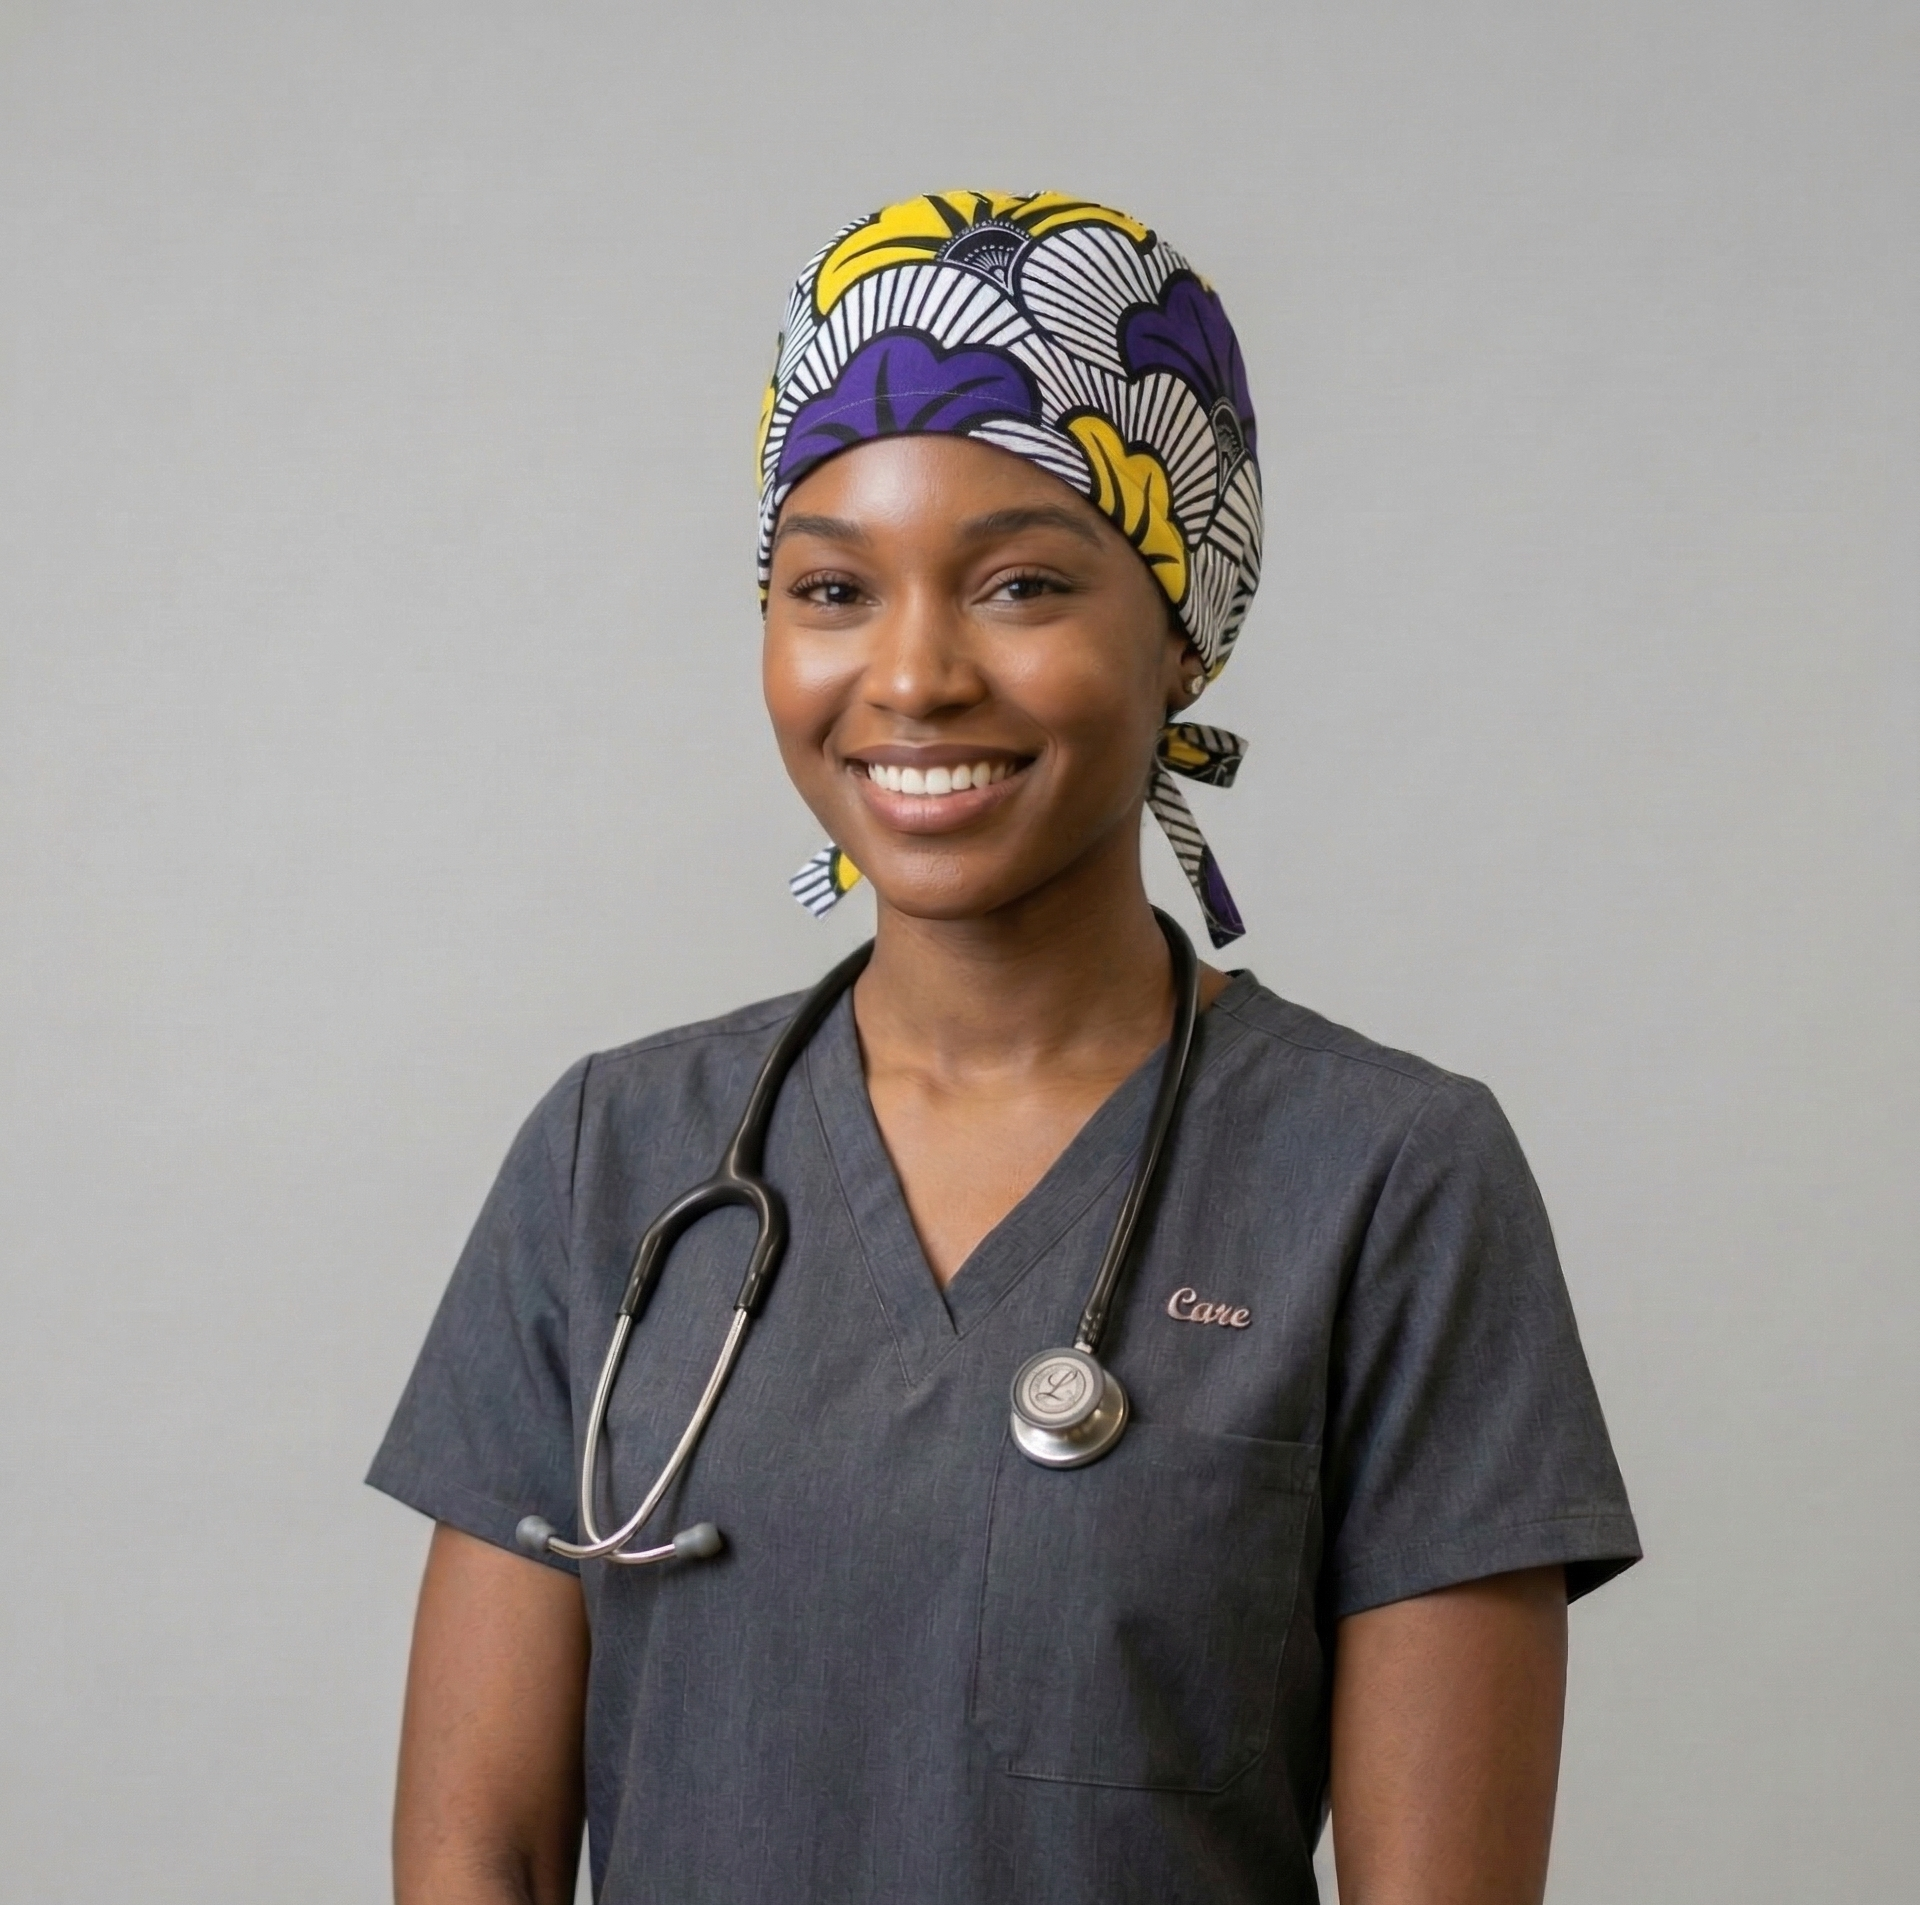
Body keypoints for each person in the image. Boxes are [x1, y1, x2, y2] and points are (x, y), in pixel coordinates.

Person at [369, 188, 1639, 1905]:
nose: (912, 674)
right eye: (831, 587)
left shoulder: (1389, 1181)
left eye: (1022, 582)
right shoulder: (616, 1153)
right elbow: (477, 1857)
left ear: (1182, 628)